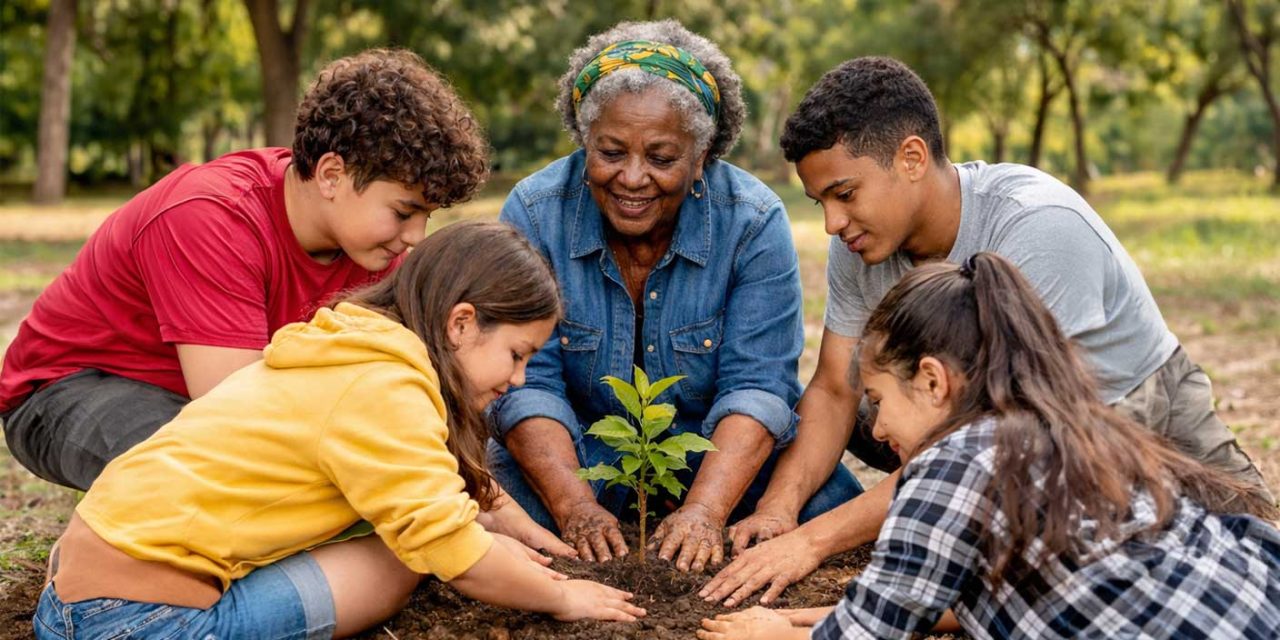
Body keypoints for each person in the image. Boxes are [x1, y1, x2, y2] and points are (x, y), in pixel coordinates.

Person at [701, 55, 1275, 606]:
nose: (832, 222)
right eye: (820, 200)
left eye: (845, 194)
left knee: (1236, 572)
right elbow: (832, 389)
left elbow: (1007, 440)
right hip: (978, 428)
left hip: (1128, 417)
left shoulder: (1038, 226)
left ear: (911, 157)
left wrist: (814, 540)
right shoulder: (858, 243)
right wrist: (779, 510)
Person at [33, 221, 646, 640]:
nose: (517, 379)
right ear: (461, 324)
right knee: (408, 558)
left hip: (74, 593)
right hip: (137, 620)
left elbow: (446, 489)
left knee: (410, 540)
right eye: (516, 353)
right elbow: (449, 548)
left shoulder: (356, 347)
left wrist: (512, 533)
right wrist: (563, 598)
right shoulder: (385, 390)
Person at [696, 252, 1280, 640]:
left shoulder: (950, 465)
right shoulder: (1059, 429)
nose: (874, 430)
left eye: (878, 399)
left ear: (932, 380)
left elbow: (862, 636)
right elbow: (1013, 586)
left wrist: (776, 634)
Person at [1, 48, 490, 491]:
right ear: (331, 175)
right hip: (66, 389)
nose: (415, 238)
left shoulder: (373, 250)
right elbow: (237, 416)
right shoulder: (208, 214)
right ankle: (90, 570)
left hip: (199, 399)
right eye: (405, 213)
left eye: (428, 216)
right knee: (227, 477)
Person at [488, 19, 862, 573]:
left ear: (702, 154)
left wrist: (706, 511)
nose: (632, 178)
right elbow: (526, 385)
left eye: (661, 159)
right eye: (610, 152)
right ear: (584, 140)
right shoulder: (536, 212)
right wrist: (575, 508)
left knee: (830, 503)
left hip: (711, 450)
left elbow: (757, 388)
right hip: (583, 451)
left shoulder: (752, 221)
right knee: (484, 508)